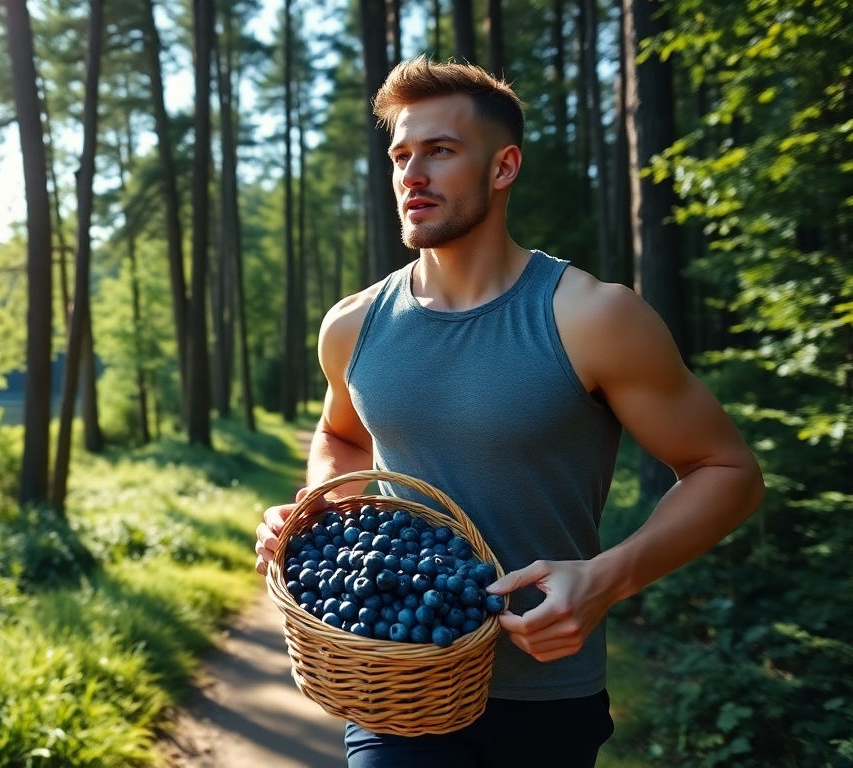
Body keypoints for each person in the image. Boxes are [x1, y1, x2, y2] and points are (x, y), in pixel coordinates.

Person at [252, 57, 764, 768]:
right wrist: (315, 512)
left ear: (503, 168)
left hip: (547, 699)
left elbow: (728, 471)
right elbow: (339, 436)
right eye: (402, 153)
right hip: (397, 688)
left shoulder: (592, 317)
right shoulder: (353, 324)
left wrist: (607, 578)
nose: (411, 174)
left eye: (440, 150)